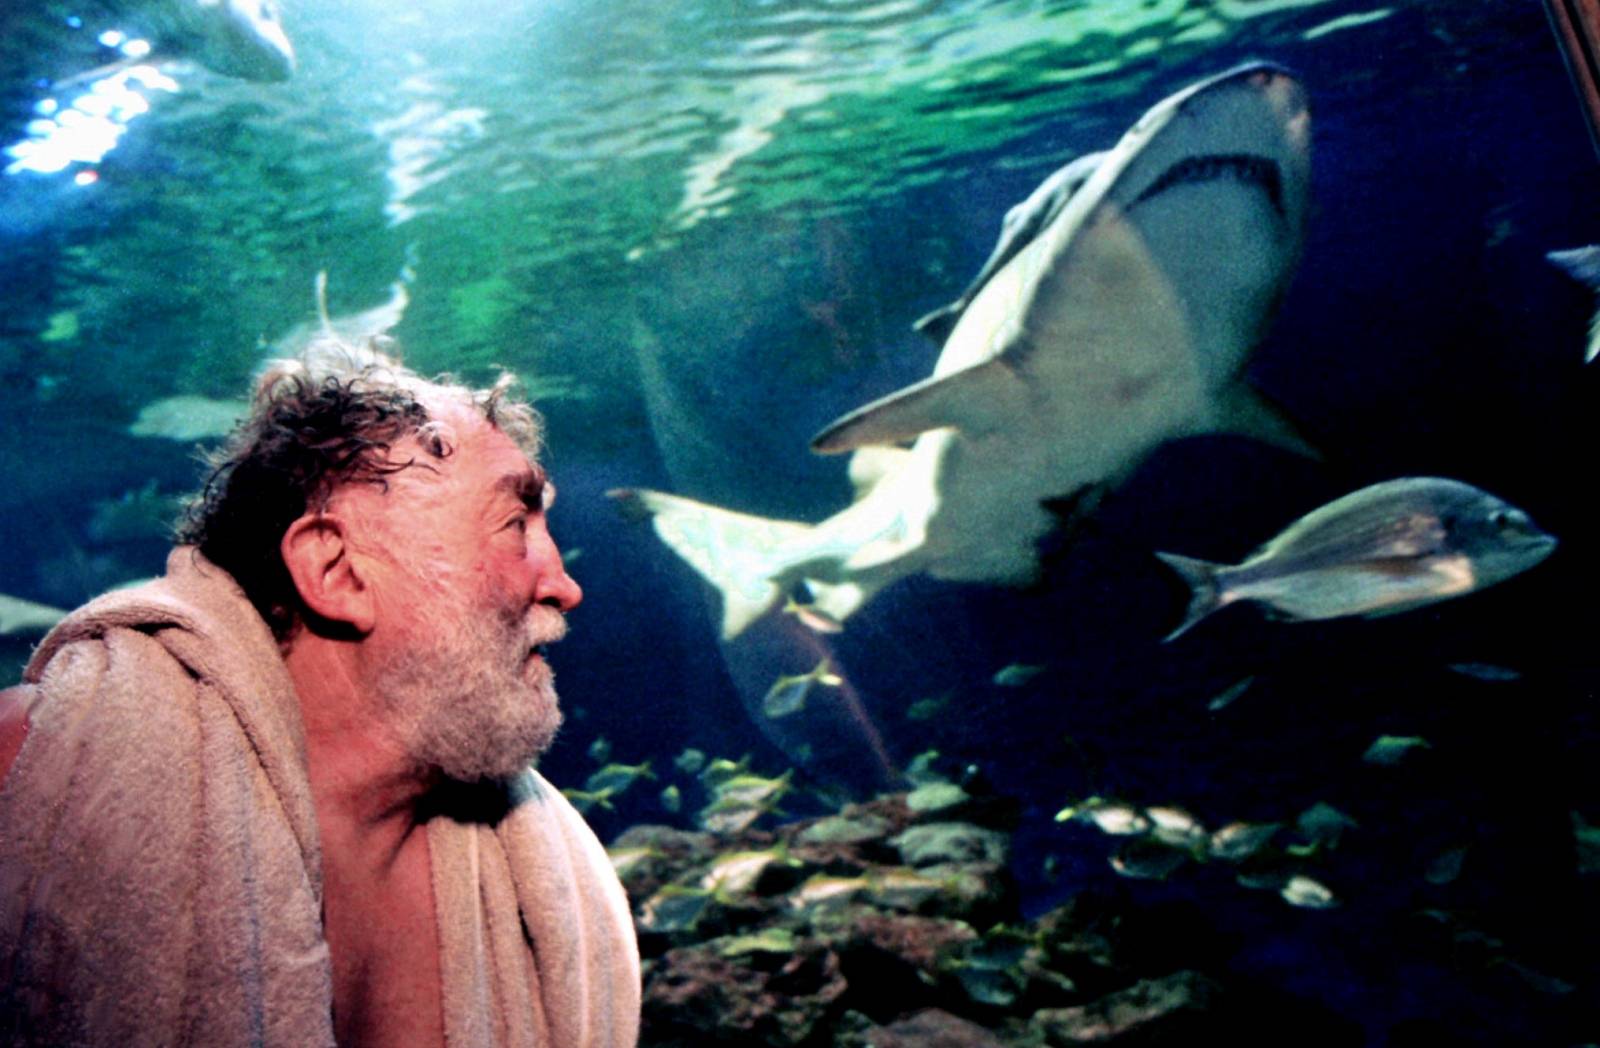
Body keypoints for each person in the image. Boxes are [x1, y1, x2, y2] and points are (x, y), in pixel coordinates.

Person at [0, 342, 641, 1046]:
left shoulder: (562, 896)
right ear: (337, 570)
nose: (565, 587)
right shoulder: (32, 782)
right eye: (515, 525)